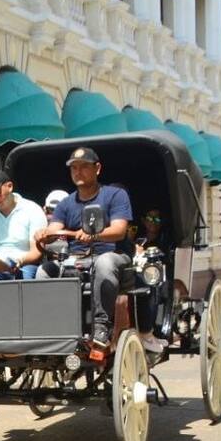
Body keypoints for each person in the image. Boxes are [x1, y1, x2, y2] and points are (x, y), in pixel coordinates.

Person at [34, 146, 134, 351]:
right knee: (44, 271)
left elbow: (119, 230)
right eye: (74, 168)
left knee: (104, 262)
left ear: (97, 168)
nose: (78, 172)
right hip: (76, 259)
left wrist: (94, 235)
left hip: (113, 255)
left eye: (84, 167)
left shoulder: (116, 195)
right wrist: (44, 234)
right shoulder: (65, 204)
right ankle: (53, 327)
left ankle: (101, 326)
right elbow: (54, 229)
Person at [129, 209, 167, 354]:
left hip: (156, 273)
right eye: (150, 219)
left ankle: (149, 332)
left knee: (153, 283)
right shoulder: (137, 238)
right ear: (144, 221)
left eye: (157, 220)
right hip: (137, 270)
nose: (153, 223)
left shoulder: (164, 238)